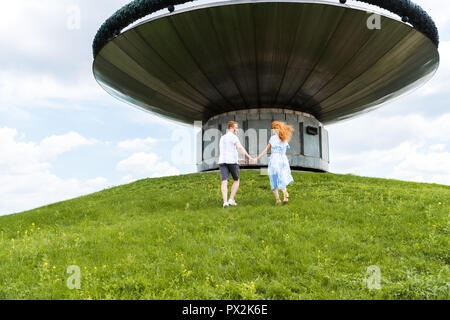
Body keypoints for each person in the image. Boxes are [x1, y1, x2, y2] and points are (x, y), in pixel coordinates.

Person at [255, 121, 294, 205]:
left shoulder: (273, 138)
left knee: (273, 178)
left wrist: (258, 158)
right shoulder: (284, 138)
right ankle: (285, 194)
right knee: (281, 177)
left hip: (275, 160)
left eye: (273, 128)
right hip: (283, 160)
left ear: (276, 129)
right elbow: (284, 150)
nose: (272, 130)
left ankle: (278, 199)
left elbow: (266, 150)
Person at [218, 121, 255, 208]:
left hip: (222, 161)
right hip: (232, 163)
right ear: (231, 128)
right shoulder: (234, 137)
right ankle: (231, 199)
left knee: (224, 181)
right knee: (236, 180)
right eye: (236, 127)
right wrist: (249, 157)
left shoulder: (222, 138)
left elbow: (225, 152)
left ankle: (225, 202)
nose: (237, 129)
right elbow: (240, 148)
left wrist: (239, 160)